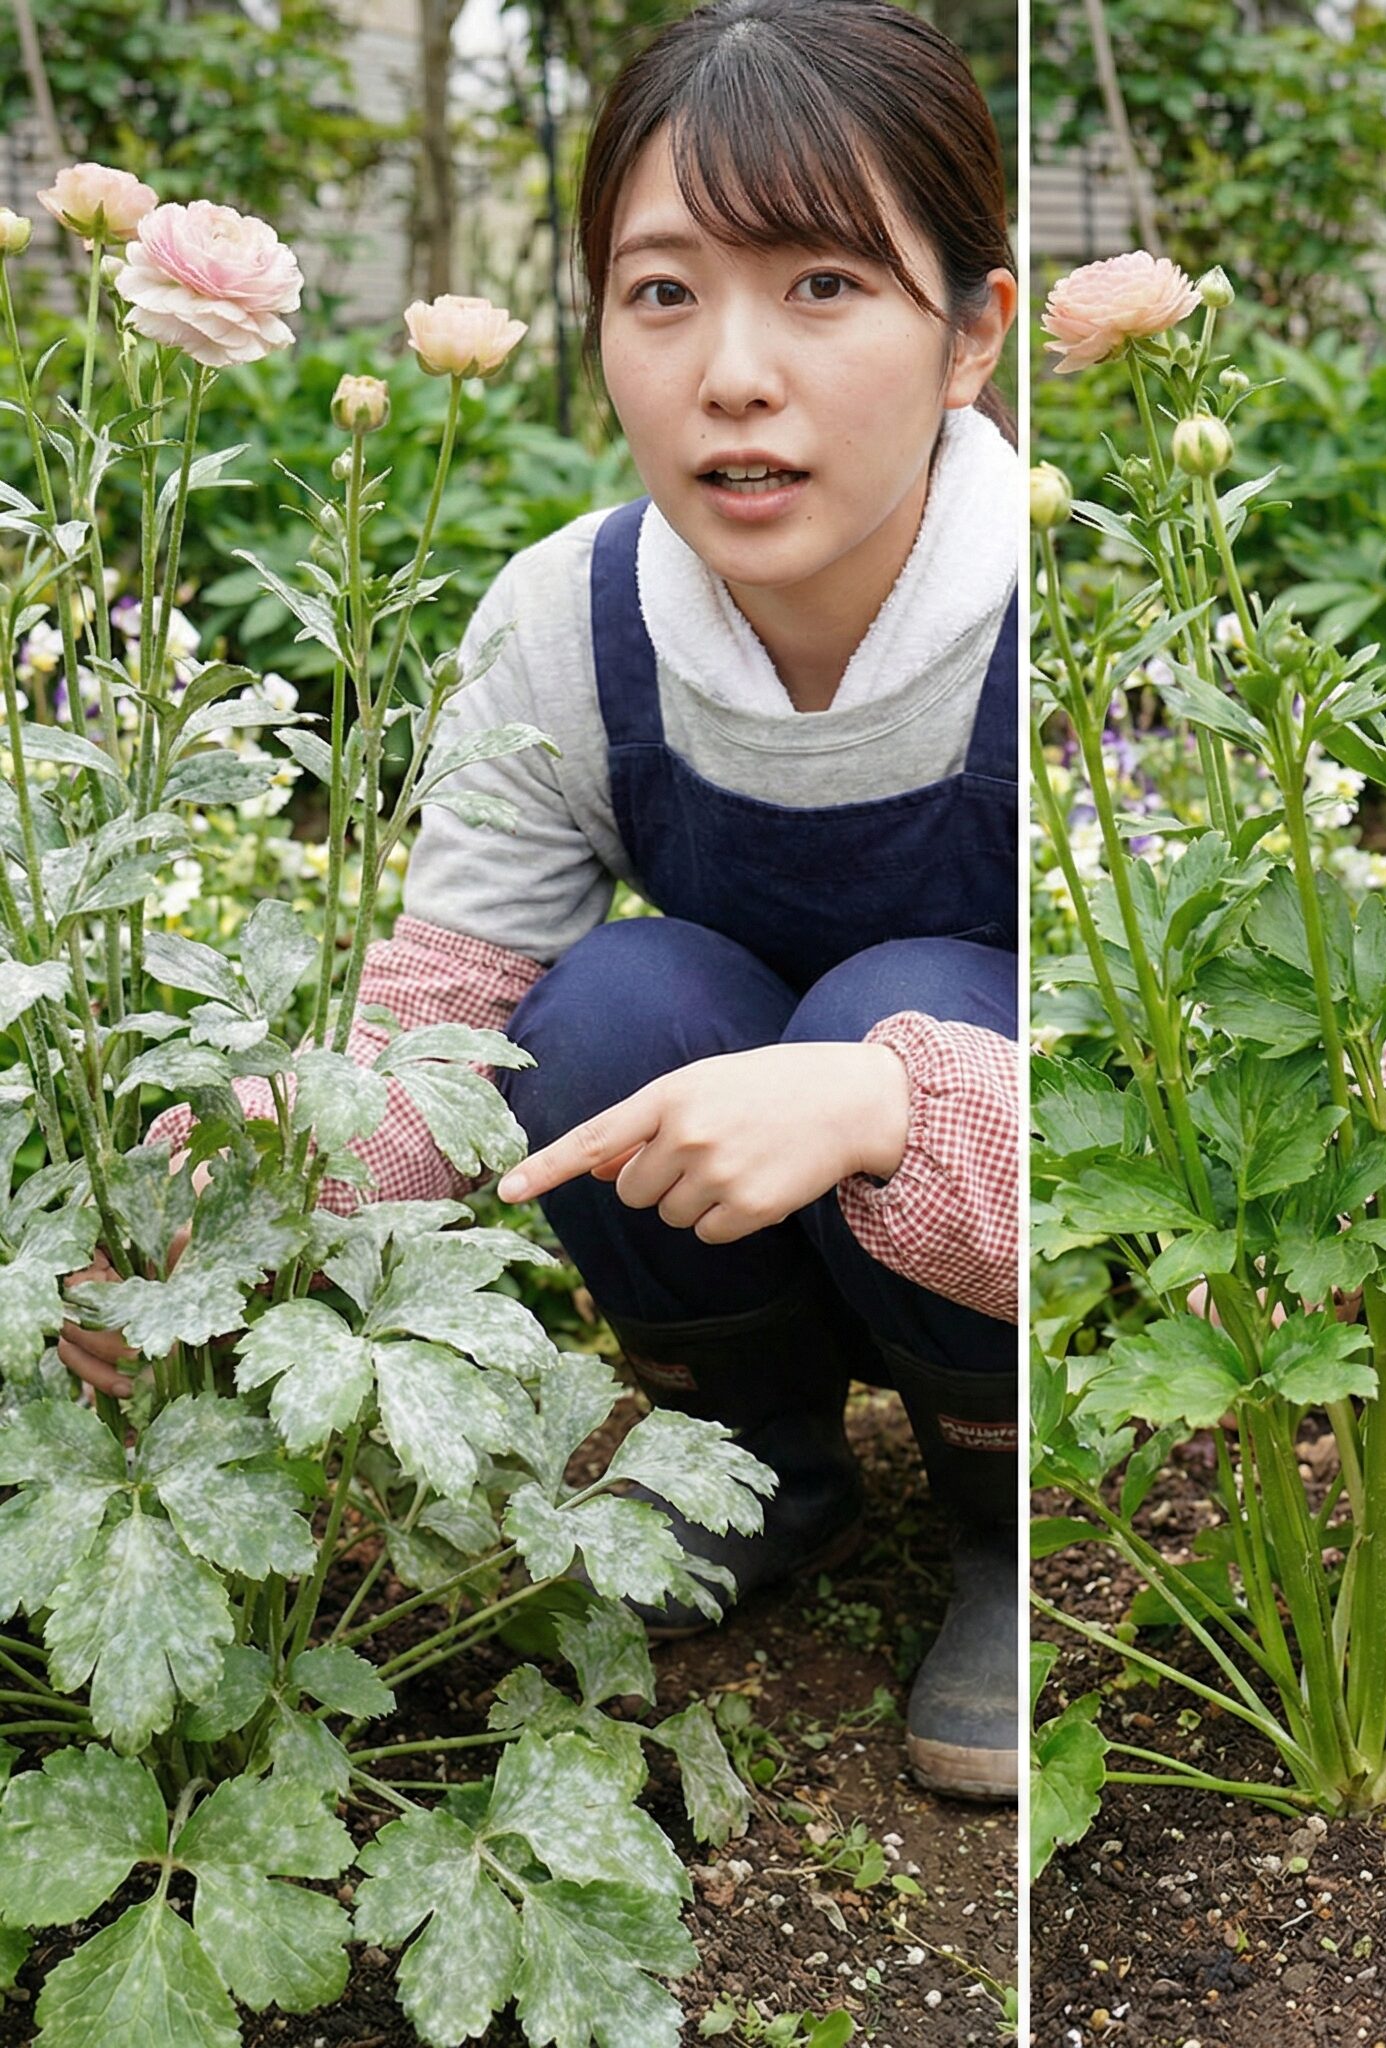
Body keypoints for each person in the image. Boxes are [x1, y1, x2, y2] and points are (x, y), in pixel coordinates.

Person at [76, 0, 1023, 1803]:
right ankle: (767, 1466)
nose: (732, 374)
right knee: (597, 1008)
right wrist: (217, 1229)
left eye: (823, 286)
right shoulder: (570, 620)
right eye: (663, 293)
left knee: (893, 999)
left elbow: (1184, 1108)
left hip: (1011, 1211)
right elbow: (433, 1012)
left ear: (972, 334)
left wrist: (896, 1097)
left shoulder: (1075, 612)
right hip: (728, 1132)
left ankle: (1003, 1520)